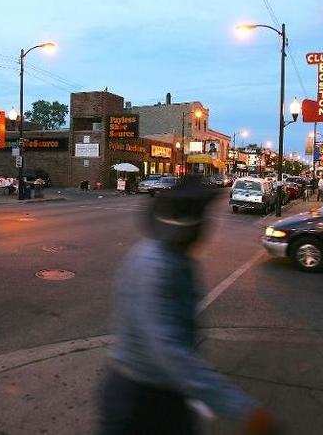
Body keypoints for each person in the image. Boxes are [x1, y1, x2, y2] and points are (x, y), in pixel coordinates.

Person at [99, 176, 277, 434]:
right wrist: (241, 408)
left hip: (163, 391)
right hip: (140, 398)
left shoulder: (175, 259)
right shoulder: (156, 264)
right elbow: (167, 349)